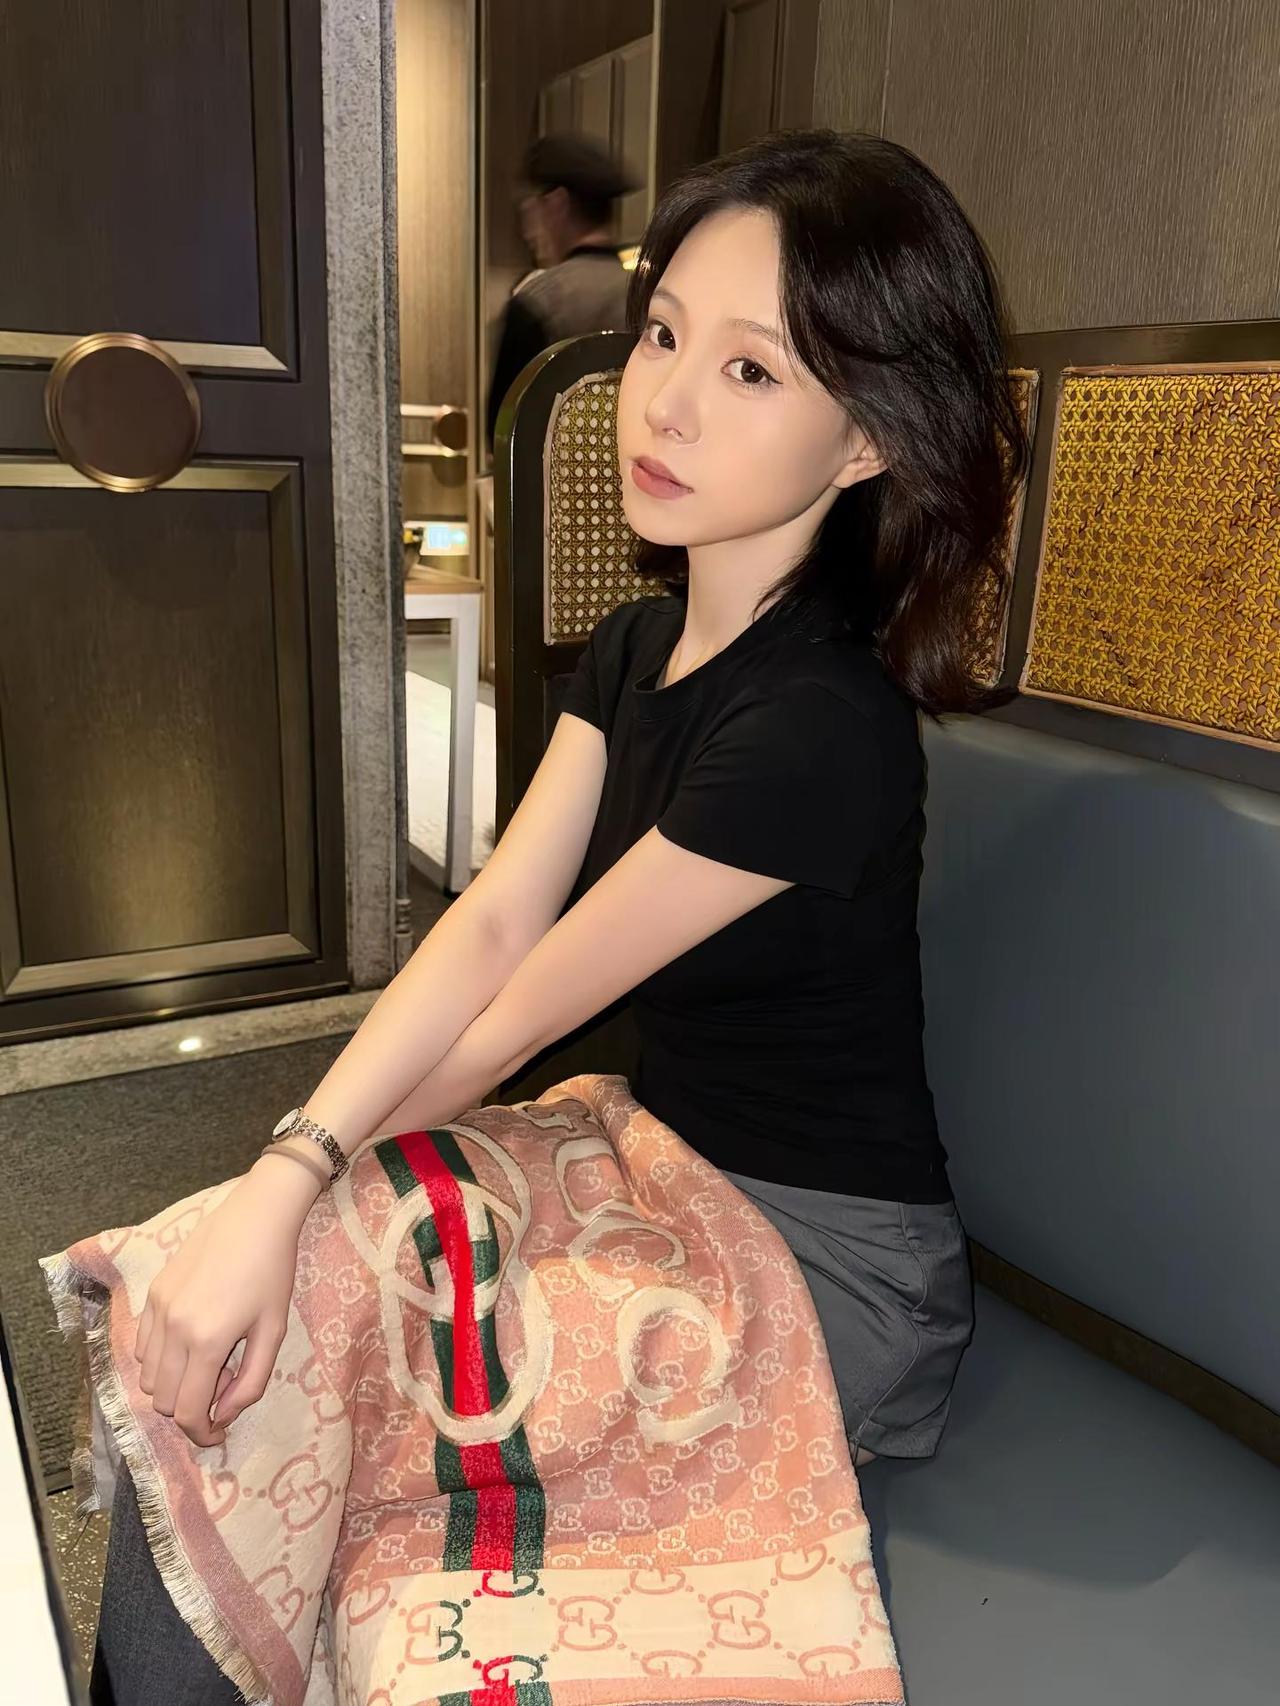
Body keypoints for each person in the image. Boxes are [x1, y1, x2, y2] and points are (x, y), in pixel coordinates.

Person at [92, 129, 1025, 1700]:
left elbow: (513, 1018)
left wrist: (289, 1184)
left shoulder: (818, 727)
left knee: (311, 1293)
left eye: (749, 371)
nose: (664, 403)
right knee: (245, 1270)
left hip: (823, 1269)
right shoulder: (637, 643)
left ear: (866, 439)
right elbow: (489, 925)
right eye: (663, 336)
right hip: (657, 1168)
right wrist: (280, 1178)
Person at [485, 132, 635, 449]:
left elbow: (502, 436)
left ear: (556, 205)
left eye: (530, 209)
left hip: (551, 480)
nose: (528, 230)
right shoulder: (648, 297)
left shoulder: (537, 302)